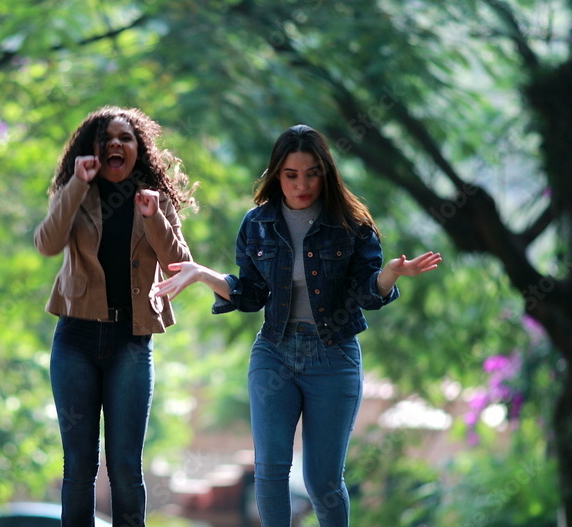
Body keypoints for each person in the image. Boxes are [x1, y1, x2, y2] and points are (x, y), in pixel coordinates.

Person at [152, 124, 441, 527]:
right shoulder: (258, 224)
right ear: (277, 175)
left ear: (326, 173)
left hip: (334, 355)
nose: (301, 184)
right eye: (291, 175)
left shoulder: (352, 226)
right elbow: (251, 295)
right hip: (275, 352)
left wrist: (391, 274)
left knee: (322, 481)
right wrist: (202, 274)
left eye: (311, 173)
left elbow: (366, 293)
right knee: (269, 471)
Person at [34, 106, 197, 527]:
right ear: (91, 152)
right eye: (105, 140)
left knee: (125, 467)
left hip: (131, 341)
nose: (115, 145)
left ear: (137, 148)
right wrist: (75, 184)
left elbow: (181, 263)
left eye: (125, 138)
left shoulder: (152, 200)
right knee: (78, 468)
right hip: (76, 340)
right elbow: (47, 243)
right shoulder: (77, 195)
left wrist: (155, 216)